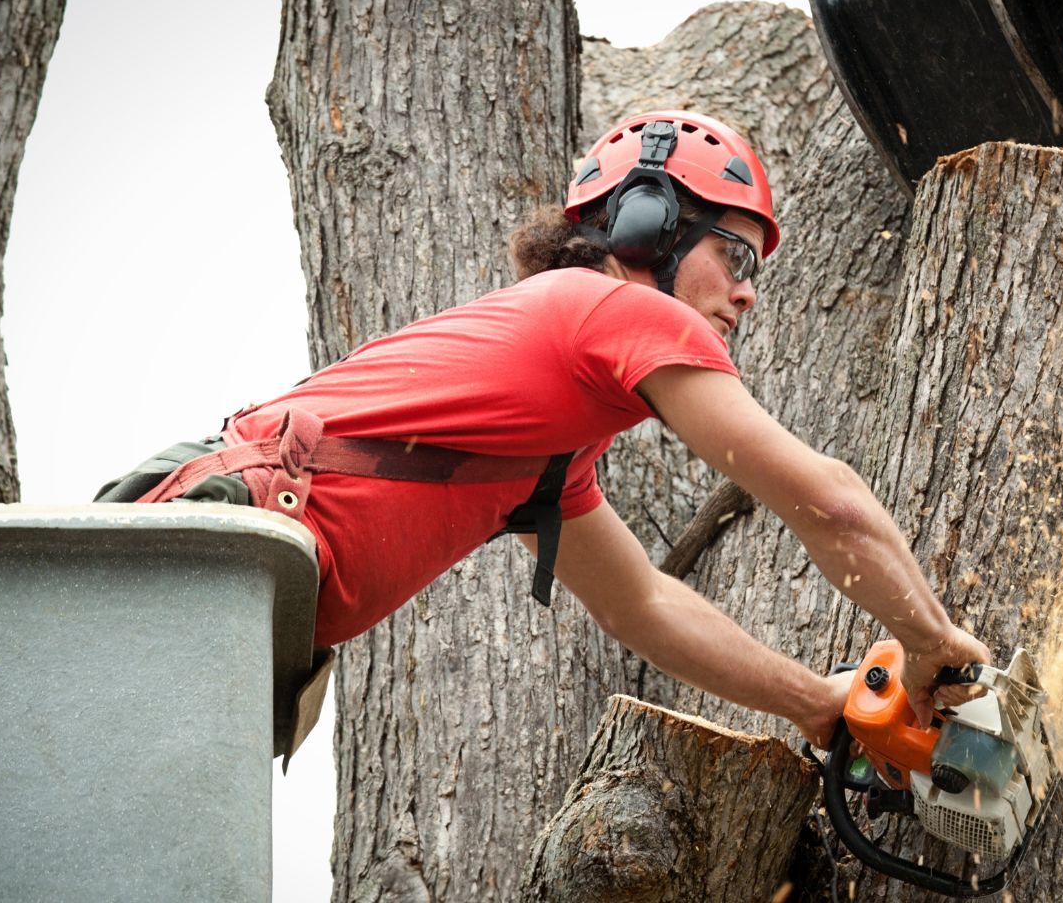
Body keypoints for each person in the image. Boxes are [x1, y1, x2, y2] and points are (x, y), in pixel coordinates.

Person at [98, 109, 987, 747]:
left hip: (238, 592)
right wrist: (933, 643)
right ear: (652, 226)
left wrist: (811, 700)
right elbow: (826, 500)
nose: (748, 290)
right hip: (216, 550)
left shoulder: (548, 456)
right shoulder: (617, 310)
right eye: (735, 254)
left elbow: (641, 604)